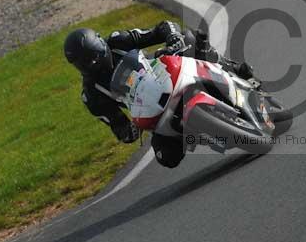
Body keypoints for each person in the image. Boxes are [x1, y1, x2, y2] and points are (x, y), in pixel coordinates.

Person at [63, 21, 254, 168]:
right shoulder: (92, 94)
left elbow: (162, 28)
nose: (92, 64)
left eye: (94, 56)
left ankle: (231, 67)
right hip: (154, 109)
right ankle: (202, 131)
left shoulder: (117, 41)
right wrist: (129, 131)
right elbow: (117, 124)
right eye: (84, 63)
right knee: (166, 157)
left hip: (166, 73)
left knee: (190, 38)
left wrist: (172, 36)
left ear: (100, 45)